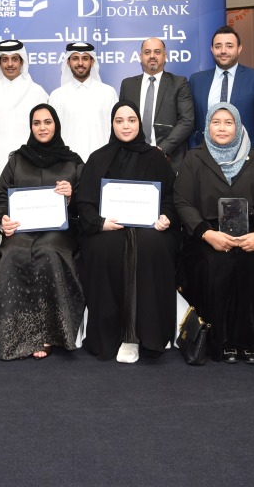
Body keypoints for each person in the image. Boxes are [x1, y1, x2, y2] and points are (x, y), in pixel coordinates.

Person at [173, 102, 254, 364]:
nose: (222, 128)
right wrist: (206, 234)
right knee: (217, 264)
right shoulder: (194, 158)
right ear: (207, 126)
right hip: (208, 235)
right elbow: (182, 202)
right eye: (216, 122)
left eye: (228, 122)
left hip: (251, 235)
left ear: (239, 125)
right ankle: (221, 341)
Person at [73, 101, 181, 363]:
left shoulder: (156, 157)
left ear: (139, 123)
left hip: (149, 229)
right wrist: (100, 223)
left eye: (131, 120)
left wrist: (165, 218)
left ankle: (145, 335)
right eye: (119, 120)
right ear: (112, 124)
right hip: (109, 227)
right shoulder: (98, 158)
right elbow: (84, 202)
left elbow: (170, 198)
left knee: (151, 247)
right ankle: (113, 335)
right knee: (104, 249)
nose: (125, 125)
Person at [0, 104, 85, 360]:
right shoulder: (17, 159)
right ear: (30, 127)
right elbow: (0, 196)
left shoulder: (72, 162)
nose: (42, 127)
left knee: (49, 252)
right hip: (22, 231)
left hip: (58, 233)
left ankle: (49, 333)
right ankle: (17, 334)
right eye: (37, 123)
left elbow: (88, 201)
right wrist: (3, 219)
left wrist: (72, 195)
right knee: (13, 255)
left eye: (47, 122)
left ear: (56, 125)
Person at [189, 25, 254, 164]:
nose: (223, 51)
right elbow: (191, 124)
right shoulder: (197, 80)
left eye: (229, 46)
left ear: (239, 48)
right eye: (218, 46)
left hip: (246, 159)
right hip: (204, 159)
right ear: (211, 49)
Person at [0, 39, 50, 174]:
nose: (10, 64)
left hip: (30, 166)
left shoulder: (37, 92)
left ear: (22, 62)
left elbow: (46, 134)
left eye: (14, 59)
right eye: (5, 60)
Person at [118, 37, 195, 168]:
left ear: (165, 56)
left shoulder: (179, 83)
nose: (152, 56)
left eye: (157, 52)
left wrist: (162, 149)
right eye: (147, 52)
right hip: (133, 158)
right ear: (140, 56)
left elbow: (187, 121)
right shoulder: (127, 84)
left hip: (168, 158)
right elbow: (120, 121)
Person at [48, 41, 119, 162]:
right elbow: (52, 135)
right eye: (75, 58)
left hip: (102, 162)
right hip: (67, 164)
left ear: (92, 62)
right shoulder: (57, 96)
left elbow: (116, 132)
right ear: (68, 62)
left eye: (85, 58)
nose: (80, 63)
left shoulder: (108, 93)